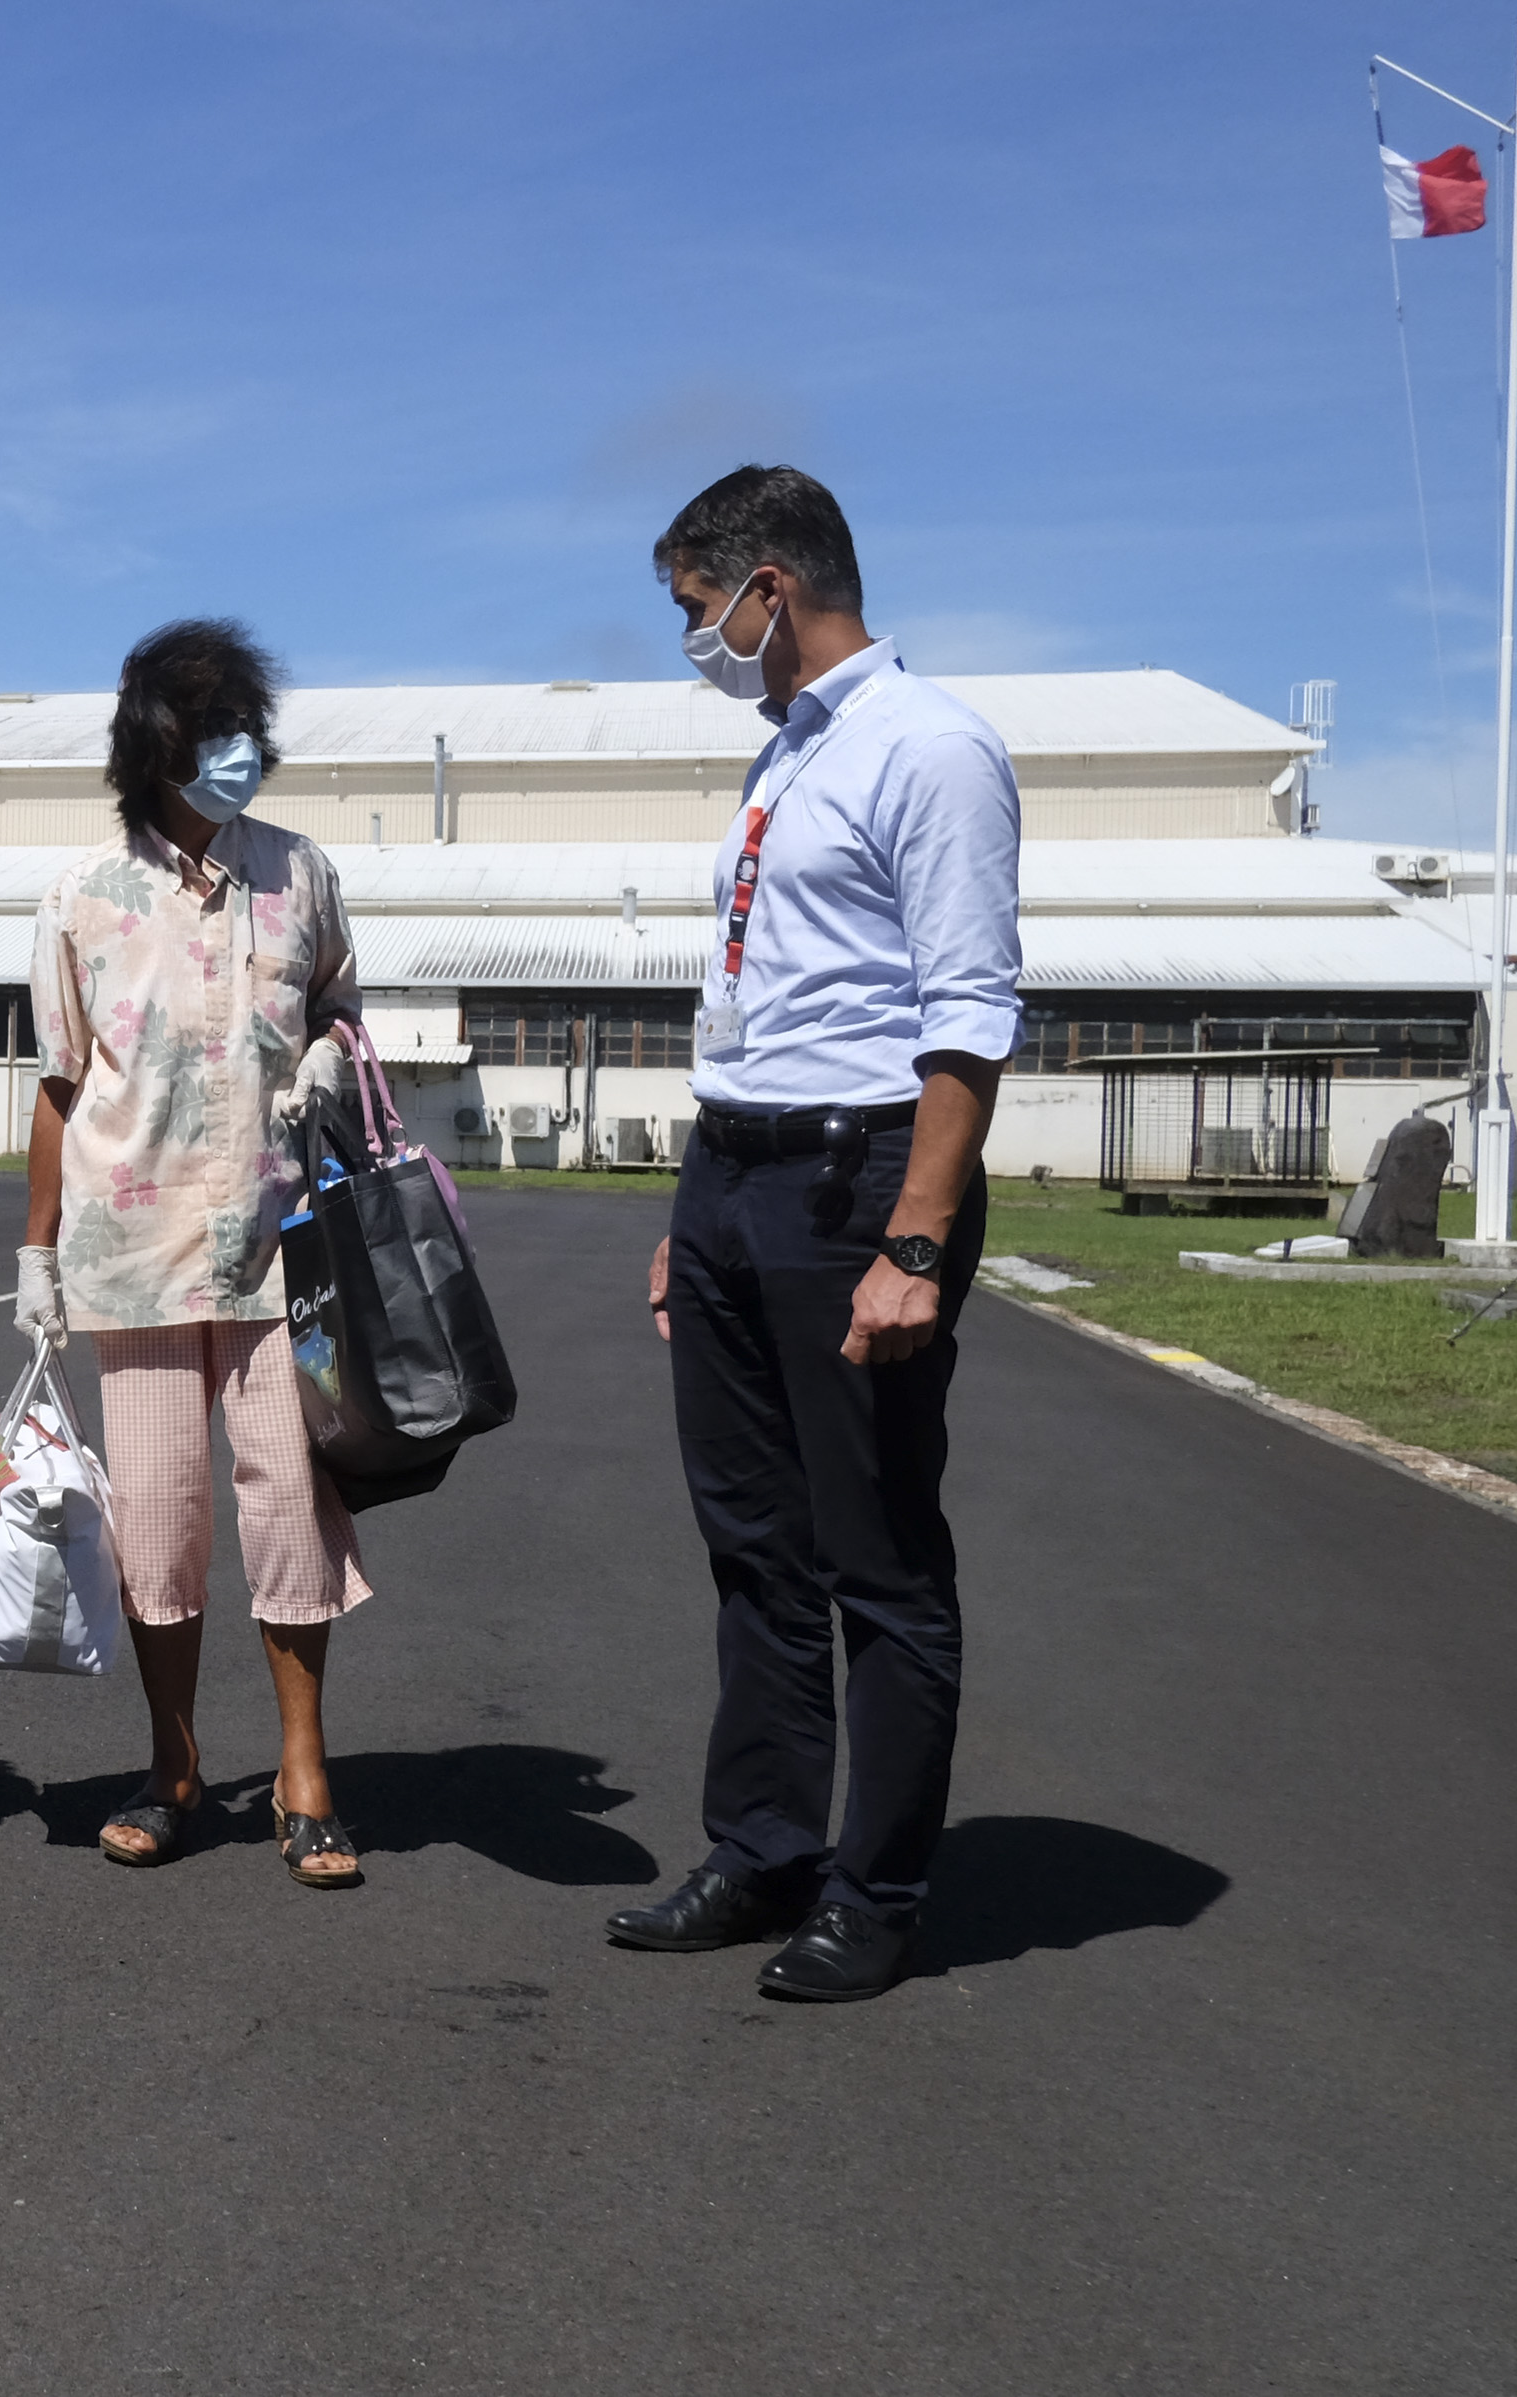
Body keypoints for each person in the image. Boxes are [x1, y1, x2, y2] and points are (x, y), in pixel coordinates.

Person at [606, 464, 1019, 2004]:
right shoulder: (787, 756)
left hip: (856, 1185)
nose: (694, 640)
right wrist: (689, 1212)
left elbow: (969, 1011)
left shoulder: (932, 748)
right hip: (735, 1177)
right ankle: (765, 1846)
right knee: (752, 1545)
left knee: (878, 1554)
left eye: (694, 608)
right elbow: (755, 993)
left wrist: (915, 1241)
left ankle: (877, 1887)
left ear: (767, 587)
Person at [16, 618, 375, 1882]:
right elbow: (60, 1086)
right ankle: (170, 1766)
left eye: (246, 733)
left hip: (287, 1255)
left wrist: (333, 1047)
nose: (238, 757)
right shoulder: (82, 896)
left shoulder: (303, 873)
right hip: (135, 1251)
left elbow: (341, 1008)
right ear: (152, 750)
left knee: (291, 1506)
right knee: (158, 1526)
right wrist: (35, 1253)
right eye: (211, 736)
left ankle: (302, 1768)